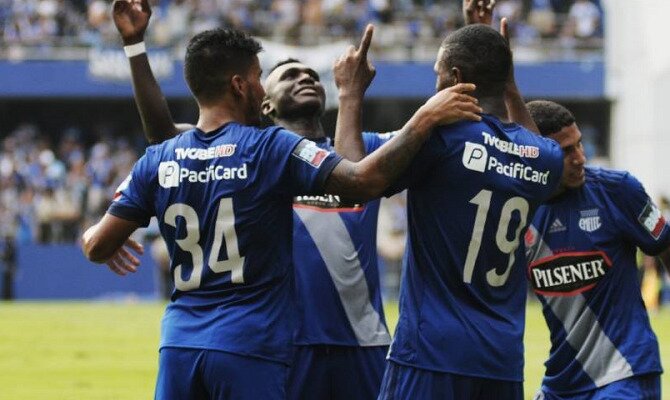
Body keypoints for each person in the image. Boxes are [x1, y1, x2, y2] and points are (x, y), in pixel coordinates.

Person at [83, 4, 483, 400]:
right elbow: (360, 180)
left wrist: (473, 50)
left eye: (312, 75)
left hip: (358, 338)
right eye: (278, 76)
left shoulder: (359, 147)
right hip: (281, 340)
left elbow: (369, 164)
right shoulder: (267, 151)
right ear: (260, 99)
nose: (305, 78)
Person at [350, 17, 564, 400]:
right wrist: (508, 80)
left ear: (455, 76)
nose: (434, 86)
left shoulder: (440, 135)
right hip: (500, 358)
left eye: (437, 74)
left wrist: (351, 93)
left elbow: (352, 172)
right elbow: (529, 142)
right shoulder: (546, 157)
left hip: (432, 351)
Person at [524, 100, 670, 400]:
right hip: (562, 382)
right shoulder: (520, 212)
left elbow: (666, 247)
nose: (580, 158)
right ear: (538, 155)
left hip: (625, 371)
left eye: (579, 145)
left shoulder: (618, 191)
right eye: (565, 151)